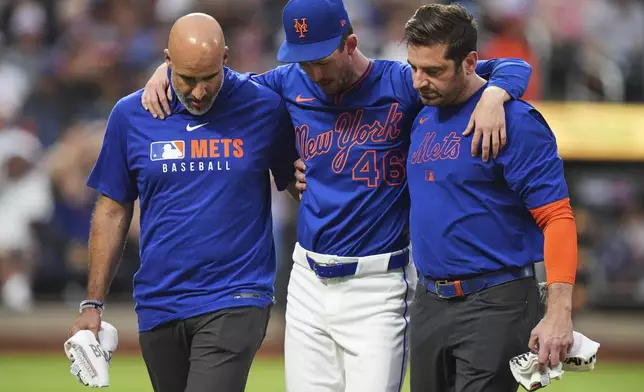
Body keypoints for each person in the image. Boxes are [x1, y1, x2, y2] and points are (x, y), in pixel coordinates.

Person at [140, 1, 532, 391]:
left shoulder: (402, 83)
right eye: (302, 60)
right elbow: (217, 81)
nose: (313, 71)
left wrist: (496, 95)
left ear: (350, 44)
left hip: (379, 284)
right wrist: (168, 69)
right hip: (308, 279)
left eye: (321, 60)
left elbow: (509, 68)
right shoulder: (288, 81)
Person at [69, 13, 298, 392]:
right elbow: (112, 209)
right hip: (160, 302)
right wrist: (92, 304)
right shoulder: (132, 115)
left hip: (237, 295)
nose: (198, 92)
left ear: (226, 57)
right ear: (167, 61)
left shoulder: (264, 107)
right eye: (187, 79)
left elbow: (294, 179)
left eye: (208, 78)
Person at [404, 4, 576, 392]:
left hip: (496, 302)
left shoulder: (516, 122)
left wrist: (559, 312)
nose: (418, 81)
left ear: (469, 63)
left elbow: (558, 217)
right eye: (414, 67)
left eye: (433, 71)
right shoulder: (423, 113)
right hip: (429, 300)